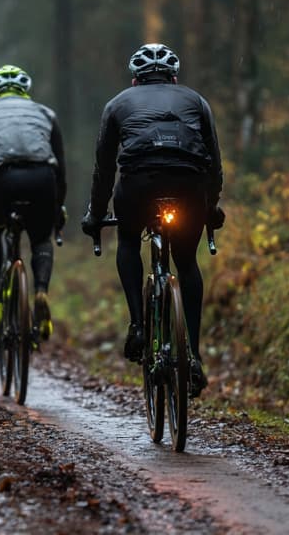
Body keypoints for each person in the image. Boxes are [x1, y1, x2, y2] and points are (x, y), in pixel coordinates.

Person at [80, 43, 225, 398]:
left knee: (129, 240)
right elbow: (214, 162)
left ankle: (138, 325)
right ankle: (192, 353)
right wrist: (210, 205)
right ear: (174, 77)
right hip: (189, 184)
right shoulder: (196, 100)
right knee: (187, 262)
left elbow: (104, 168)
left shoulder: (116, 104)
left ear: (134, 80)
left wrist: (96, 214)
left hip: (138, 185)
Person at [0, 65, 67, 343]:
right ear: (25, 90)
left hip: (0, 180)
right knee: (40, 238)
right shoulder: (46, 113)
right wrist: (58, 207)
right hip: (41, 178)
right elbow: (61, 167)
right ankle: (40, 291)